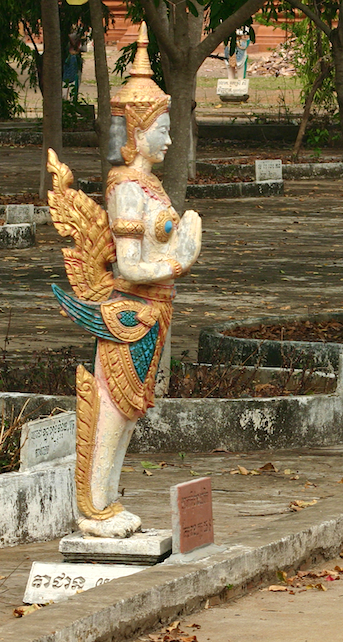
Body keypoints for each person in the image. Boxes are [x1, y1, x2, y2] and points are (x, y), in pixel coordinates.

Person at [50, 23, 201, 538]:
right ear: (137, 130)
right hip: (130, 310)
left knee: (130, 412)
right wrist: (183, 257)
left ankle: (108, 502)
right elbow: (131, 267)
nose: (169, 134)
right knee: (113, 411)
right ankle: (94, 508)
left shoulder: (148, 183)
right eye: (162, 126)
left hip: (153, 311)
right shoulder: (125, 190)